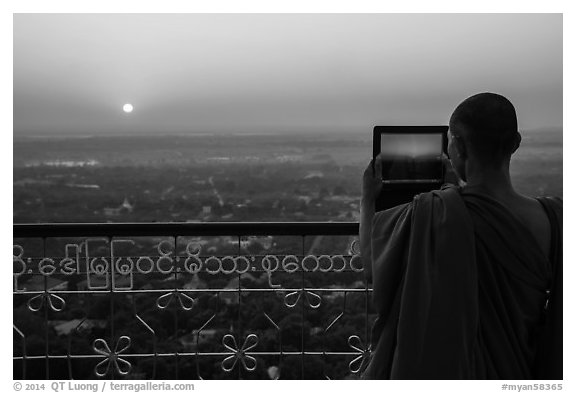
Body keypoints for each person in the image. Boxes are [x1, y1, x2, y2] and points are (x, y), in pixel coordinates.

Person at [359, 92, 562, 379]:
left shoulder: (435, 213)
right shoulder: (552, 218)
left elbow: (371, 268)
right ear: (515, 144)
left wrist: (368, 199)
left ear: (459, 147)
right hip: (521, 373)